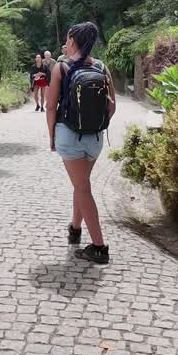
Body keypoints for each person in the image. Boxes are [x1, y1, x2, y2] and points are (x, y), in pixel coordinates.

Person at [46, 22, 115, 265]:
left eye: (68, 38)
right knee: (81, 184)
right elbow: (112, 106)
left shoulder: (61, 67)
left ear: (73, 40)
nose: (66, 42)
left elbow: (51, 107)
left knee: (83, 188)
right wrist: (95, 125)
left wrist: (52, 136)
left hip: (69, 135)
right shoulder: (101, 67)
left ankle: (99, 247)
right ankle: (75, 228)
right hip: (95, 139)